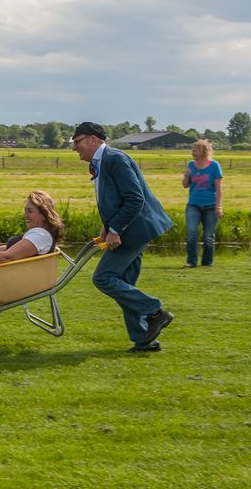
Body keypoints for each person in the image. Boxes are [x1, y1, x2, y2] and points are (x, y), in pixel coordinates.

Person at [71, 122, 174, 353]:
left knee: (104, 278)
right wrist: (107, 227)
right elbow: (114, 199)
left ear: (94, 140)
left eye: (78, 142)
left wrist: (116, 229)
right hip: (127, 229)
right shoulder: (101, 162)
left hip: (134, 230)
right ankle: (144, 340)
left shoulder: (115, 159)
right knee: (125, 284)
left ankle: (155, 311)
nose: (74, 148)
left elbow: (134, 198)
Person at [182, 139, 224, 267]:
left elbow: (218, 188)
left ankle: (207, 263)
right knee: (192, 233)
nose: (192, 153)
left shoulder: (214, 165)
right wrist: (186, 176)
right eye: (192, 150)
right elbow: (185, 185)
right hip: (193, 205)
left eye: (194, 150)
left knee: (208, 237)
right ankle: (191, 262)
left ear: (203, 151)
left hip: (210, 206)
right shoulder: (190, 165)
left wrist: (219, 207)